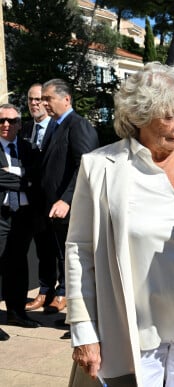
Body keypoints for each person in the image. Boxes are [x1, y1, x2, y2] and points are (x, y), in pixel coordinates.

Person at [65, 62, 174, 386]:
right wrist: (83, 329)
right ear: (139, 115)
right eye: (170, 116)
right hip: (134, 334)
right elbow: (80, 251)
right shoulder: (101, 169)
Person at [28, 79, 100, 317]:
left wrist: (67, 199)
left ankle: (81, 316)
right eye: (42, 99)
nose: (44, 103)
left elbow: (85, 166)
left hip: (70, 208)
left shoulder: (78, 125)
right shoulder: (56, 126)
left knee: (75, 262)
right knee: (61, 257)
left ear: (66, 99)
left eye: (48, 98)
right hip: (51, 209)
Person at [0, 104, 40, 331]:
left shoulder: (29, 149)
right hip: (1, 215)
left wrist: (11, 175)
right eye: (1, 121)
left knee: (18, 265)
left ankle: (17, 313)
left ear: (19, 123)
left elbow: (37, 177)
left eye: (11, 121)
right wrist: (25, 179)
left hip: (23, 216)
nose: (6, 125)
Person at [22, 83, 60, 315]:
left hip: (57, 202)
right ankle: (45, 291)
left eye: (38, 99)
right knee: (43, 251)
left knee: (62, 250)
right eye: (30, 100)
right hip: (34, 203)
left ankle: (63, 293)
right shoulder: (25, 129)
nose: (34, 104)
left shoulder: (59, 128)